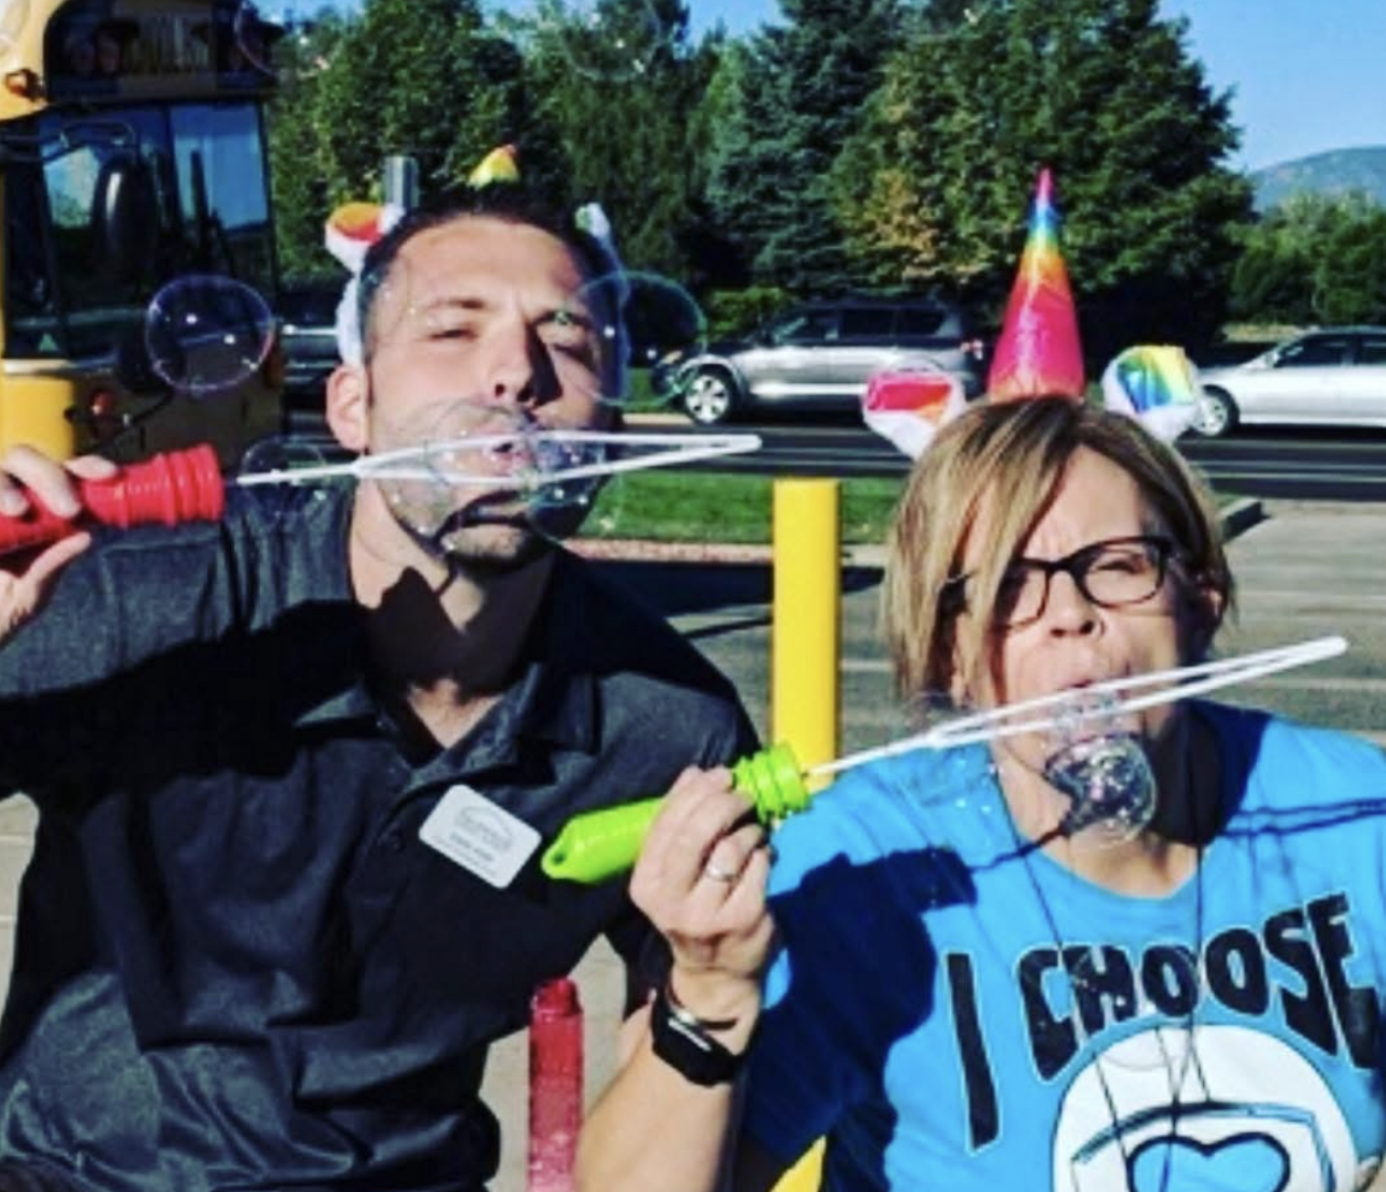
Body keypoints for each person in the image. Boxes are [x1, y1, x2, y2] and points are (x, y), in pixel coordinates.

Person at [0, 183, 755, 1191]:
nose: (515, 372)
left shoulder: (667, 729)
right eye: (453, 329)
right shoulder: (140, 605)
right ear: (352, 406)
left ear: (611, 421)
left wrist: (710, 996)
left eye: (566, 338)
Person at [577, 395, 1386, 1192]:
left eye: (1118, 566)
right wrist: (710, 992)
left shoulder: (1358, 815)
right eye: (1006, 587)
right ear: (948, 658)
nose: (1069, 614)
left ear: (1200, 600)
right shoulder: (871, 872)